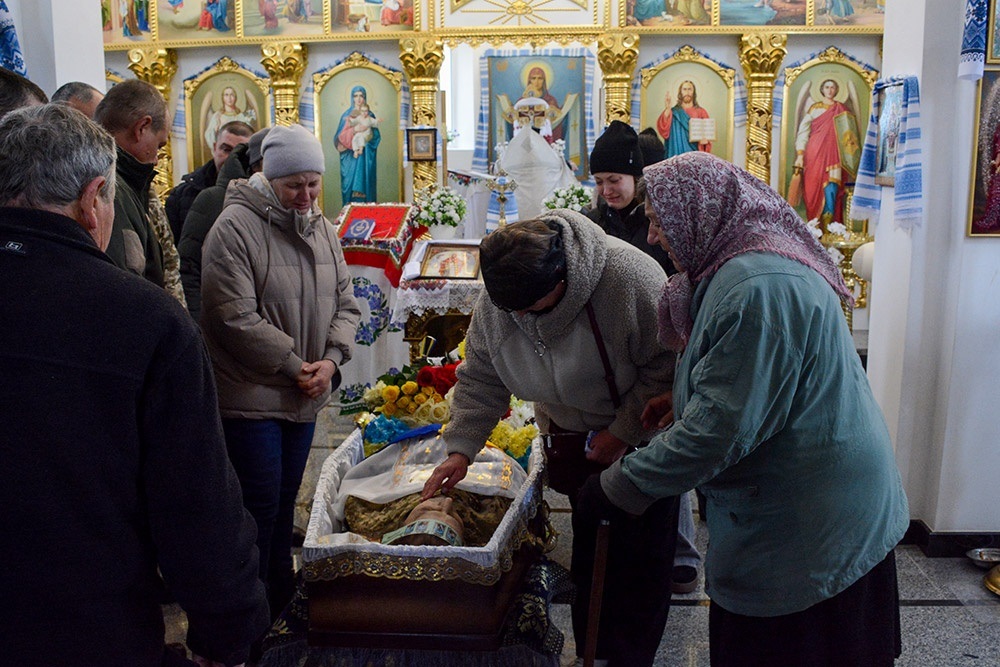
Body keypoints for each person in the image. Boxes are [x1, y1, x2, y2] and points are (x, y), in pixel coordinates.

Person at [587, 151, 908, 666]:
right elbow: (758, 376)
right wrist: (685, 393)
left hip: (815, 524)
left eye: (657, 222)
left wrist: (620, 484)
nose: (652, 238)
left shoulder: (757, 289)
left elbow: (718, 432)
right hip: (806, 502)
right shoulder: (736, 266)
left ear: (699, 211)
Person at [0, 103, 269, 667]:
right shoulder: (141, 319)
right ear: (93, 198)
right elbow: (195, 503)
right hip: (85, 629)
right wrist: (227, 633)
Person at [421, 213, 679, 667]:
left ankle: (630, 657)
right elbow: (482, 375)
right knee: (592, 554)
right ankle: (594, 651)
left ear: (564, 277)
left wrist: (621, 434)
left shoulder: (628, 277)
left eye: (531, 308)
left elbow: (665, 367)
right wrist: (460, 448)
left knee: (639, 562)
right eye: (511, 310)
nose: (520, 318)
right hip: (573, 439)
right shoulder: (505, 298)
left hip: (642, 436)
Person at [200, 123, 361, 619]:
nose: (306, 195)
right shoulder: (234, 228)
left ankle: (281, 593)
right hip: (252, 395)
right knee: (258, 507)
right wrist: (296, 365)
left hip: (305, 390)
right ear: (269, 178)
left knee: (287, 499)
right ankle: (251, 608)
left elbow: (347, 304)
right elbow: (233, 316)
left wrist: (330, 362)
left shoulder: (323, 229)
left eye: (314, 184)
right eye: (295, 185)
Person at [587, 120, 702, 595]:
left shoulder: (657, 220)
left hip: (663, 347)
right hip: (616, 353)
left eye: (615, 180)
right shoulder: (592, 224)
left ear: (636, 177)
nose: (608, 189)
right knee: (623, 446)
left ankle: (681, 552)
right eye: (599, 182)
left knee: (666, 444)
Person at [180, 127, 269, 321]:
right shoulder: (211, 200)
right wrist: (197, 326)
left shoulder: (294, 207)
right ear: (256, 166)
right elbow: (188, 268)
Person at [95, 78, 171, 289]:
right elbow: (128, 282)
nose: (157, 158)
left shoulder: (120, 182)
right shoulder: (112, 190)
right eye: (159, 144)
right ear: (142, 128)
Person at [165, 119, 252, 241]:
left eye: (240, 153)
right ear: (215, 148)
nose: (232, 158)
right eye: (226, 150)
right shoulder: (181, 195)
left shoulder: (262, 197)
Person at [793, 77, 857, 226]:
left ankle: (830, 225)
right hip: (814, 152)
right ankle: (813, 225)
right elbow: (803, 131)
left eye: (832, 87)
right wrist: (800, 155)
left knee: (832, 185)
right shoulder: (815, 109)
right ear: (822, 89)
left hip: (834, 154)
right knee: (812, 188)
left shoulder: (842, 109)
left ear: (836, 90)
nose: (830, 90)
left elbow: (849, 134)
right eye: (827, 87)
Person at [334, 85, 380, 204]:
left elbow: (376, 137)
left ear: (365, 98)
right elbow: (339, 137)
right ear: (352, 98)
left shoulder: (370, 115)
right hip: (349, 158)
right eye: (356, 96)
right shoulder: (347, 115)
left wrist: (367, 139)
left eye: (361, 96)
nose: (359, 99)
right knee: (348, 186)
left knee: (365, 188)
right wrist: (354, 130)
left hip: (365, 158)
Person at [656, 79, 712, 157]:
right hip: (676, 153)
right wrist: (667, 108)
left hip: (694, 156)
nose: (687, 92)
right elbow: (663, 129)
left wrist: (705, 142)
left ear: (694, 92)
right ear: (680, 92)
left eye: (690, 89)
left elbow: (708, 137)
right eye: (684, 89)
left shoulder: (701, 112)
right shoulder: (674, 112)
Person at [203, 85, 255, 154]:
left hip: (239, 151)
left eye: (232, 95)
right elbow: (209, 135)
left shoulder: (241, 116)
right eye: (226, 95)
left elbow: (249, 134)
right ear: (222, 98)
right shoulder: (217, 116)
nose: (229, 98)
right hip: (224, 151)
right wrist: (215, 130)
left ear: (235, 98)